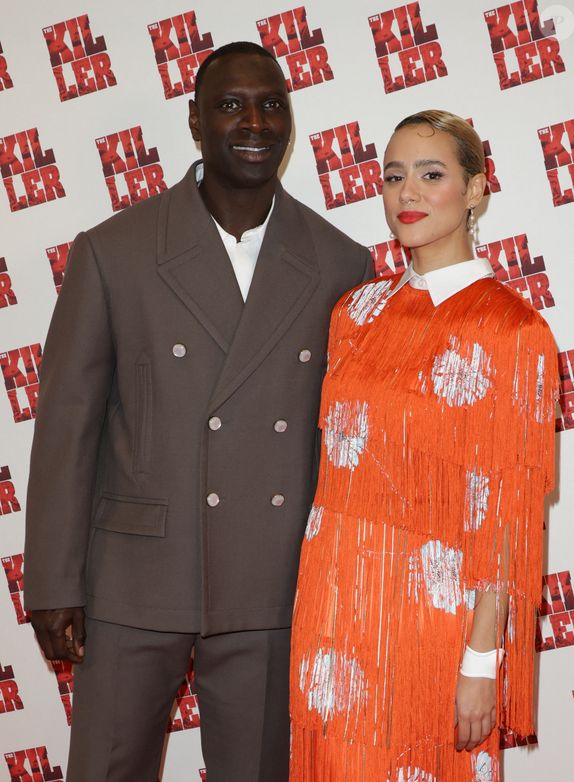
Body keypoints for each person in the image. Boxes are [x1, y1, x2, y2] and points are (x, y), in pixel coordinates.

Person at [24, 41, 373, 782]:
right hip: (134, 576)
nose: (254, 121)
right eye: (230, 104)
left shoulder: (341, 263)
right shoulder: (114, 251)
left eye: (272, 103)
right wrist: (54, 581)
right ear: (193, 122)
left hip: (273, 578)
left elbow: (350, 441)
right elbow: (68, 425)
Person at [289, 110, 558, 782]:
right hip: (331, 613)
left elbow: (511, 515)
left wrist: (480, 660)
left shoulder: (514, 330)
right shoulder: (354, 313)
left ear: (475, 190)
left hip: (431, 624)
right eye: (393, 177)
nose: (406, 193)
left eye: (431, 175)